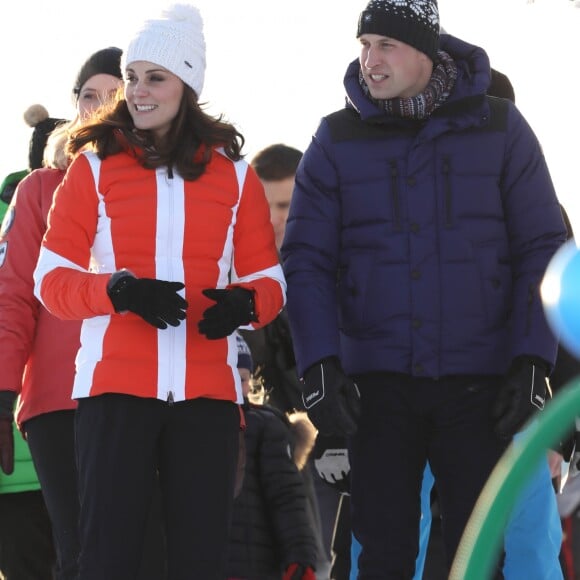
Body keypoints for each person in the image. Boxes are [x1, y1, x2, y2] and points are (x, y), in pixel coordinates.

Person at [280, 0, 567, 577]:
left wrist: (534, 360)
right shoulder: (336, 138)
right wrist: (318, 365)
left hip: (479, 387)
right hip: (377, 390)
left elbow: (544, 246)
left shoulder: (501, 129)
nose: (370, 61)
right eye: (364, 46)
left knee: (476, 553)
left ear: (425, 51)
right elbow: (306, 258)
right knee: (383, 553)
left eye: (385, 45)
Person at [33, 4, 285, 579]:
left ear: (188, 84)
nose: (138, 92)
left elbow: (270, 280)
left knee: (199, 562)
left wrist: (246, 304)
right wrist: (117, 291)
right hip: (114, 394)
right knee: (109, 561)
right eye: (131, 77)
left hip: (208, 401)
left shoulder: (236, 175)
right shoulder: (93, 169)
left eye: (156, 77)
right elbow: (50, 281)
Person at [0, 48, 126, 580]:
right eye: (87, 97)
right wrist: (3, 393)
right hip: (58, 402)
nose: (97, 109)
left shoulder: (175, 187)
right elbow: (11, 300)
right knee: (83, 560)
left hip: (145, 397)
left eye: (113, 96)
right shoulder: (40, 190)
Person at [242, 143, 335, 578]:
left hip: (340, 429)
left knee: (328, 555)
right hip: (269, 437)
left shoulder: (338, 259)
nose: (277, 219)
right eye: (267, 206)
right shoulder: (233, 267)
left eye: (286, 206)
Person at [227, 332, 318, 580]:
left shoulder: (264, 427)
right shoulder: (187, 427)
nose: (237, 385)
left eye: (243, 378)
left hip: (254, 565)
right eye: (229, 376)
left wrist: (300, 557)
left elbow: (287, 498)